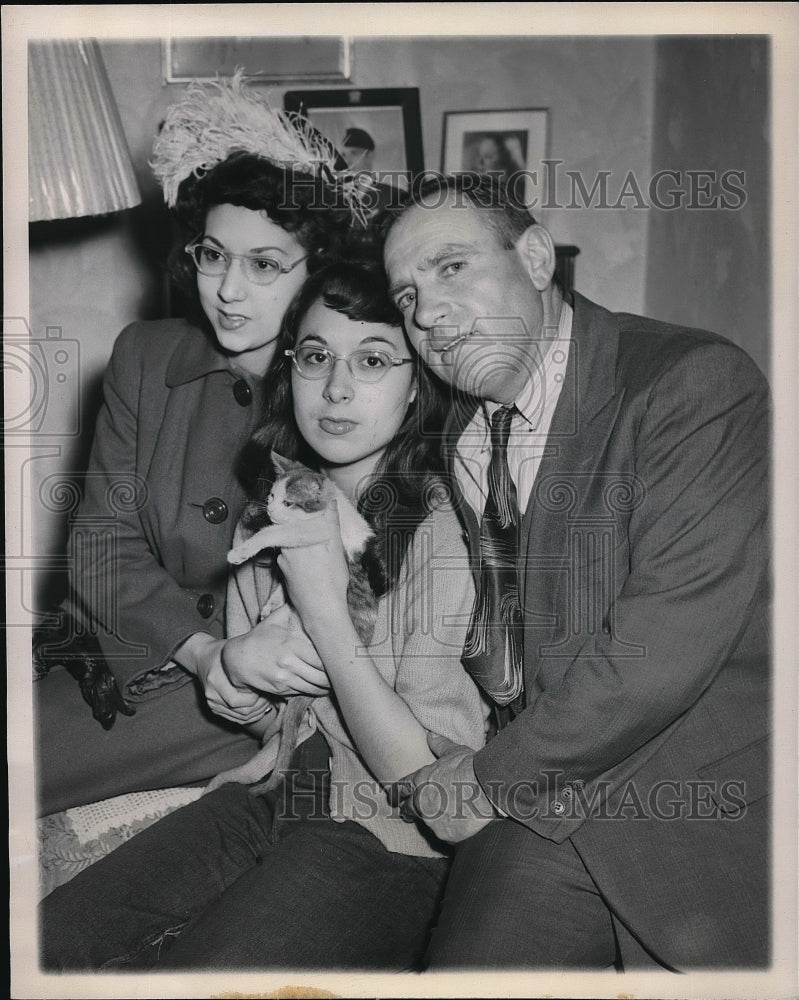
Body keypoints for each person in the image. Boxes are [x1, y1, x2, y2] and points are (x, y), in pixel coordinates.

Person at [39, 260, 489, 971]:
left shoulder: (438, 534)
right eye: (315, 358)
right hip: (281, 790)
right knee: (50, 944)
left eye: (372, 361)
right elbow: (280, 712)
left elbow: (437, 787)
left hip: (393, 836)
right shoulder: (278, 505)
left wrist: (324, 614)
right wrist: (245, 682)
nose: (336, 388)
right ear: (290, 370)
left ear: (415, 388)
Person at [381, 173, 771, 969]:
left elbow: (661, 651)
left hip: (685, 802)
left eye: (450, 268)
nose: (427, 315)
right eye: (406, 294)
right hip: (544, 798)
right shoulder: (464, 426)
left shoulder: (689, 381)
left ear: (533, 258)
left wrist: (486, 781)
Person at [33, 77, 372, 815]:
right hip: (139, 653)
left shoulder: (349, 393)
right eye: (212, 256)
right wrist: (198, 650)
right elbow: (98, 543)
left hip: (254, 700)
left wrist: (238, 668)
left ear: (318, 270)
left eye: (264, 265)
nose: (226, 290)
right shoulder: (145, 358)